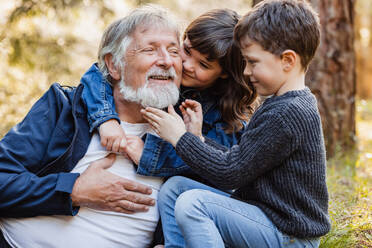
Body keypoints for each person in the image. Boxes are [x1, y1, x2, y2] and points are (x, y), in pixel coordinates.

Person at [142, 0, 331, 247]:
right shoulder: (281, 103)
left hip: (289, 235)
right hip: (267, 220)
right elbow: (243, 158)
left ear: (287, 60)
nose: (246, 72)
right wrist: (197, 138)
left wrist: (179, 137)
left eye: (252, 62)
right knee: (176, 188)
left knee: (193, 204)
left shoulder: (287, 112)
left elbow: (231, 173)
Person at [0, 5, 183, 248]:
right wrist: (73, 190)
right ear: (114, 66)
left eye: (174, 51)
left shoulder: (187, 134)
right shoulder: (65, 108)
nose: (167, 61)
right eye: (149, 50)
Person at [80, 8, 257, 246]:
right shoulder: (165, 74)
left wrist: (153, 155)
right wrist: (106, 120)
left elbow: (220, 177)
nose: (186, 64)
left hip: (189, 213)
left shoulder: (229, 120)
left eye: (203, 64)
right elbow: (97, 74)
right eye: (186, 50)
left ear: (225, 74)